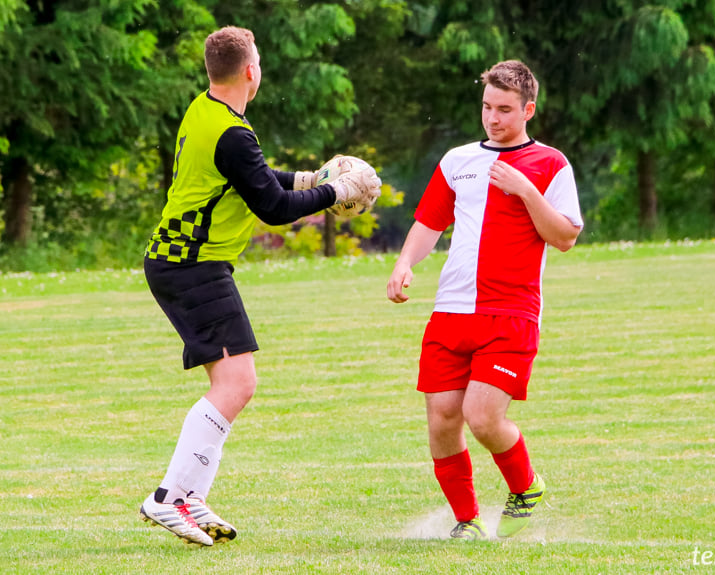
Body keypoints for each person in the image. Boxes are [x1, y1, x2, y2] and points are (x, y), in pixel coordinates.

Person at [139, 26, 380, 547]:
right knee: (237, 383)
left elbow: (255, 178)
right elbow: (270, 207)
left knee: (233, 382)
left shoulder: (206, 110)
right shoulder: (232, 133)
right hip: (192, 265)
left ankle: (187, 497)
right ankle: (170, 497)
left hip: (183, 261)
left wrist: (309, 178)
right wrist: (334, 189)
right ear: (252, 71)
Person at [386, 60, 583, 540]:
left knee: (482, 416)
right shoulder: (456, 161)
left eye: (505, 110)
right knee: (442, 420)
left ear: (528, 109)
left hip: (511, 314)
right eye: (487, 107)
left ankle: (525, 485)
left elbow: (565, 237)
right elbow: (429, 223)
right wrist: (405, 263)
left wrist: (527, 191)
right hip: (450, 313)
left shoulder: (551, 164)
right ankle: (468, 521)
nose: (493, 118)